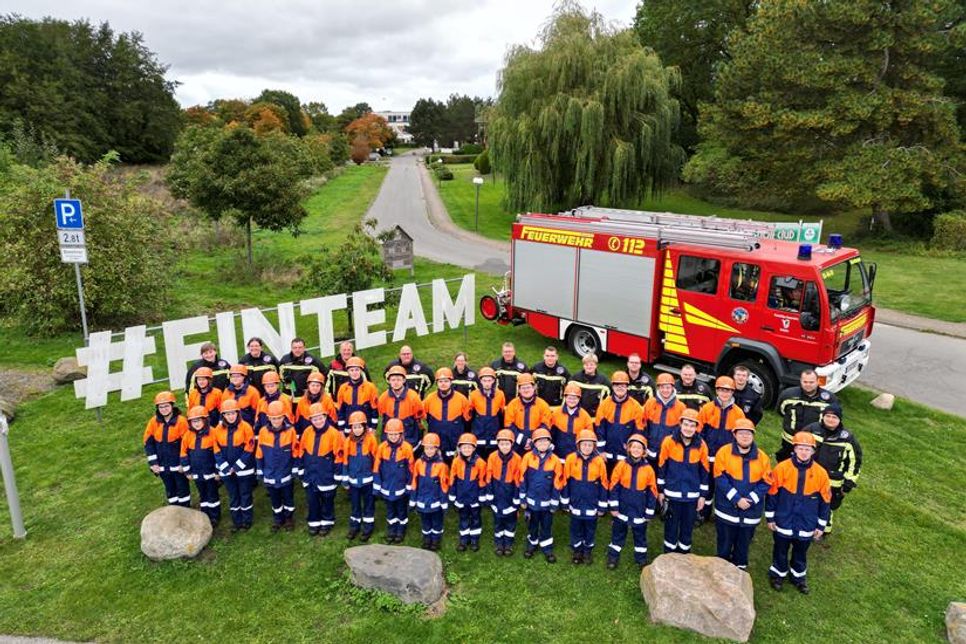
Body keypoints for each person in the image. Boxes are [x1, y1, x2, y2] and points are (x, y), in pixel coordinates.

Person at [766, 432, 832, 594]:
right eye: (801, 448)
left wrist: (821, 525)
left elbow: (825, 501)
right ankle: (778, 574)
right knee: (780, 548)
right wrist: (770, 517)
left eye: (807, 449)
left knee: (801, 551)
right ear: (794, 449)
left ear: (813, 451)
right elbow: (772, 494)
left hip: (807, 523)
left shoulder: (821, 473)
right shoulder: (782, 468)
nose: (804, 452)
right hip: (784, 520)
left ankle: (798, 577)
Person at [713, 418, 772, 570]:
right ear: (735, 435)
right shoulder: (724, 453)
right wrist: (736, 499)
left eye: (748, 433)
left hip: (750, 512)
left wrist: (750, 500)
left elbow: (766, 482)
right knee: (724, 543)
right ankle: (722, 568)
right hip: (727, 509)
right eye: (741, 433)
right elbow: (720, 477)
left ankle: (740, 569)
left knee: (743, 545)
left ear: (753, 436)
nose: (745, 436)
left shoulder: (763, 458)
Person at [657, 408, 710, 554]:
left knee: (687, 528)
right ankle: (668, 555)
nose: (688, 428)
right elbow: (661, 467)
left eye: (692, 425)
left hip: (692, 496)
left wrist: (702, 496)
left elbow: (705, 472)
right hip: (672, 494)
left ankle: (684, 556)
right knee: (671, 527)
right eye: (686, 424)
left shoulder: (701, 445)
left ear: (697, 427)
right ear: (680, 424)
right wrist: (661, 492)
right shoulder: (668, 442)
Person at [807, 404, 862, 536]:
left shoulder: (847, 438)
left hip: (833, 482)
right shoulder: (811, 430)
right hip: (810, 476)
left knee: (827, 506)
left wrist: (849, 483)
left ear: (839, 420)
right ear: (823, 416)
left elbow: (855, 462)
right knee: (807, 501)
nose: (830, 419)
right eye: (828, 416)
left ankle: (824, 530)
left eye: (834, 417)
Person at [697, 376, 747, 522]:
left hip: (728, 458)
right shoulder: (707, 408)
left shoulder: (738, 413)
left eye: (728, 390)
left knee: (723, 486)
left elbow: (740, 436)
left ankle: (721, 514)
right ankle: (703, 514)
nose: (725, 393)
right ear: (717, 390)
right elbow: (700, 432)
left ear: (733, 392)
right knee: (707, 485)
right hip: (708, 456)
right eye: (722, 390)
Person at [606, 434, 659, 569]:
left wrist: (649, 512)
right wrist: (614, 506)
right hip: (622, 508)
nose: (636, 450)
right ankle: (613, 557)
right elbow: (613, 486)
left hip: (639, 509)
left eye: (639, 448)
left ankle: (641, 559)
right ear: (628, 449)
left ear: (644, 451)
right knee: (617, 534)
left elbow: (653, 492)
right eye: (633, 447)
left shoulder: (648, 469)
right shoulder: (621, 465)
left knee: (640, 536)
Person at [562, 429, 609, 565]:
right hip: (575, 502)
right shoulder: (571, 459)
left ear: (594, 446)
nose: (587, 447)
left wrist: (601, 506)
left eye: (590, 445)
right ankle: (577, 550)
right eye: (584, 444)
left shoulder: (599, 461)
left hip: (592, 504)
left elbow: (604, 484)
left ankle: (588, 550)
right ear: (578, 445)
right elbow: (565, 481)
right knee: (575, 527)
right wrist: (565, 502)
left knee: (590, 528)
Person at [518, 428, 565, 562]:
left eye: (545, 441)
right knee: (532, 524)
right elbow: (522, 478)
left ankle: (547, 547)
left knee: (546, 525)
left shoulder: (555, 460)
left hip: (547, 503)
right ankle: (532, 544)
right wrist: (523, 498)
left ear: (550, 443)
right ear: (534, 443)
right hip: (531, 501)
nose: (542, 444)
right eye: (539, 441)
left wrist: (554, 502)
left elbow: (558, 482)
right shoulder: (527, 457)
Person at [298, 402, 344, 536]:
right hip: (310, 473)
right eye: (314, 419)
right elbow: (302, 451)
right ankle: (314, 522)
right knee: (312, 499)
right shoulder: (307, 432)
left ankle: (327, 521)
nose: (318, 421)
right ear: (310, 420)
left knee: (327, 499)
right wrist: (301, 469)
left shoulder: (334, 434)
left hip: (326, 473)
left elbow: (339, 456)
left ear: (325, 417)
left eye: (320, 418)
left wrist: (337, 474)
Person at [256, 400, 300, 533]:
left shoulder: (290, 431)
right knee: (274, 497)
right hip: (269, 472)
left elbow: (295, 451)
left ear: (284, 417)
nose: (276, 421)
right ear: (268, 418)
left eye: (279, 418)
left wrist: (294, 469)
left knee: (288, 497)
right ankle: (277, 518)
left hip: (285, 471)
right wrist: (259, 469)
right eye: (273, 418)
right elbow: (259, 452)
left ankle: (288, 518)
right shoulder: (263, 431)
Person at [775, 369, 839, 461]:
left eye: (811, 382)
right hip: (790, 441)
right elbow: (781, 411)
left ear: (818, 381)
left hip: (815, 442)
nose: (808, 385)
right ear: (800, 381)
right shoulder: (787, 395)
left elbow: (833, 419)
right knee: (786, 465)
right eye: (805, 382)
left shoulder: (830, 400)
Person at [212, 398, 255, 531]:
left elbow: (249, 448)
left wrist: (237, 467)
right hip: (226, 470)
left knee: (245, 494)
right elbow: (216, 449)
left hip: (244, 470)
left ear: (237, 413)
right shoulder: (218, 429)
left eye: (233, 413)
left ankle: (247, 521)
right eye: (227, 414)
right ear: (223, 415)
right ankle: (236, 521)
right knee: (233, 496)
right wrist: (224, 467)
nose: (230, 416)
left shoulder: (246, 427)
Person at [143, 391, 190, 507]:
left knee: (183, 491)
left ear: (172, 406)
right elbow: (148, 444)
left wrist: (183, 464)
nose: (163, 409)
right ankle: (173, 513)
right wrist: (153, 464)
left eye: (166, 406)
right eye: (161, 407)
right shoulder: (153, 422)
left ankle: (186, 513)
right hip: (163, 466)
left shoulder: (181, 421)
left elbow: (187, 444)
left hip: (178, 466)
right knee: (171, 492)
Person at [373, 418, 415, 544]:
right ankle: (391, 529)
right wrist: (377, 486)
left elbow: (411, 469)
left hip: (401, 488)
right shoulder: (382, 448)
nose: (393, 437)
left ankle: (401, 530)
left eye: (396, 434)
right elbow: (376, 468)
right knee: (390, 510)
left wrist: (409, 487)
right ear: (386, 434)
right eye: (390, 434)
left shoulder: (407, 448)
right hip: (387, 487)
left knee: (402, 510)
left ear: (401, 434)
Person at [448, 433, 490, 551]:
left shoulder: (480, 463)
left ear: (474, 448)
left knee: (476, 517)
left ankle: (474, 539)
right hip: (461, 497)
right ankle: (463, 539)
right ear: (460, 448)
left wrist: (482, 496)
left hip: (474, 496)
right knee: (463, 517)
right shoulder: (456, 461)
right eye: (464, 447)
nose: (467, 449)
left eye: (469, 447)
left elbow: (483, 480)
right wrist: (452, 495)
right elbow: (453, 478)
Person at [180, 406, 221, 526]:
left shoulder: (213, 433)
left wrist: (218, 472)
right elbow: (183, 453)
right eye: (194, 421)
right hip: (196, 473)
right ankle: (205, 515)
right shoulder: (188, 435)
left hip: (211, 472)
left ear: (205, 420)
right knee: (203, 495)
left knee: (212, 494)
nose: (196, 424)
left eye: (199, 420)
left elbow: (218, 454)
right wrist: (188, 472)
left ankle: (215, 517)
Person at [595, 371, 643, 471]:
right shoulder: (604, 404)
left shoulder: (636, 407)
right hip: (606, 455)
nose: (620, 388)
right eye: (617, 385)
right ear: (612, 386)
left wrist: (632, 452)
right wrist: (600, 451)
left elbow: (638, 432)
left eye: (623, 385)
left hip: (626, 456)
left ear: (627, 387)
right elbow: (599, 430)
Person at [342, 410, 378, 541]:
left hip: (368, 481)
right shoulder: (347, 442)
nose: (357, 430)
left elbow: (376, 460)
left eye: (359, 427)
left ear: (364, 426)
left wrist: (376, 479)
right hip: (353, 481)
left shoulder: (371, 440)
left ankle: (368, 528)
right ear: (351, 428)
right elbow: (345, 461)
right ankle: (354, 527)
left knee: (368, 505)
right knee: (355, 505)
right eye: (354, 427)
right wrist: (345, 480)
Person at [410, 433, 450, 551]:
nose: (429, 451)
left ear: (437, 449)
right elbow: (414, 482)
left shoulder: (442, 466)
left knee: (437, 522)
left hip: (436, 501)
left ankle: (436, 540)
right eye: (427, 448)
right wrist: (413, 500)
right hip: (422, 500)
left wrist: (443, 502)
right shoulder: (418, 463)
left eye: (432, 448)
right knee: (425, 521)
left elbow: (444, 486)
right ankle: (427, 538)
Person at [487, 429, 523, 556]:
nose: (504, 446)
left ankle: (508, 543)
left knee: (510, 520)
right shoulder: (492, 457)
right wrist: (490, 493)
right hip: (496, 491)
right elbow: (489, 476)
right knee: (498, 520)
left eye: (507, 444)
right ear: (498, 444)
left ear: (512, 444)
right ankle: (498, 543)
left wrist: (516, 497)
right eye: (502, 444)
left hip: (510, 491)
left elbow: (519, 480)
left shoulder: (518, 459)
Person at [424, 368, 472, 461]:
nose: (443, 384)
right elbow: (424, 418)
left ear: (451, 382)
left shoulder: (462, 399)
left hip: (455, 445)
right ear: (437, 383)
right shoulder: (429, 399)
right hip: (435, 445)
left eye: (446, 381)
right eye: (440, 381)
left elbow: (468, 423)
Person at [640, 373, 686, 470]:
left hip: (669, 453)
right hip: (650, 451)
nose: (665, 390)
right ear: (658, 388)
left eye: (667, 387)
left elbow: (682, 433)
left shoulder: (681, 407)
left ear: (672, 388)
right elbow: (642, 425)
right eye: (662, 387)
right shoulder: (650, 403)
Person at [503, 373, 552, 455]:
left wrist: (534, 440)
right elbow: (508, 425)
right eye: (523, 388)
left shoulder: (543, 405)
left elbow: (546, 425)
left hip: (537, 444)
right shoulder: (512, 404)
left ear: (534, 388)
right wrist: (523, 440)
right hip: (517, 444)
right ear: (519, 390)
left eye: (528, 387)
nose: (526, 390)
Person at [378, 365, 425, 447]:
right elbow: (383, 416)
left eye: (398, 379)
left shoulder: (413, 397)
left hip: (409, 437)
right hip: (389, 438)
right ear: (388, 381)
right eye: (393, 380)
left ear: (404, 380)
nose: (396, 382)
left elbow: (419, 419)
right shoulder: (383, 398)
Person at [550, 382, 594, 464]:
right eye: (569, 398)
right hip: (557, 456)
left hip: (576, 459)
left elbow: (589, 439)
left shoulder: (585, 417)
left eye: (574, 398)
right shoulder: (556, 413)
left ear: (579, 399)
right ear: (565, 398)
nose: (572, 400)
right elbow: (551, 434)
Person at [468, 366, 505, 459]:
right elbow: (470, 415)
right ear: (480, 381)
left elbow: (501, 414)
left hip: (494, 434)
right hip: (478, 434)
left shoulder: (500, 394)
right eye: (485, 380)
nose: (487, 383)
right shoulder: (473, 395)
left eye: (489, 380)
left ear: (493, 381)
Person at [335, 356, 380, 433]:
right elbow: (341, 411)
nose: (354, 373)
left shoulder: (370, 387)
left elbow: (375, 410)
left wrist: (373, 427)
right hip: (349, 429)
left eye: (357, 370)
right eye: (351, 370)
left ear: (361, 371)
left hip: (366, 427)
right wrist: (341, 430)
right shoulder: (343, 388)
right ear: (348, 372)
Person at [294, 372, 338, 437]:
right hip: (306, 433)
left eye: (317, 385)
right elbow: (298, 420)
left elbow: (333, 419)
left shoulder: (327, 400)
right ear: (308, 386)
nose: (315, 388)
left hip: (323, 433)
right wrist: (298, 434)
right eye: (313, 385)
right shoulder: (302, 401)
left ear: (321, 387)